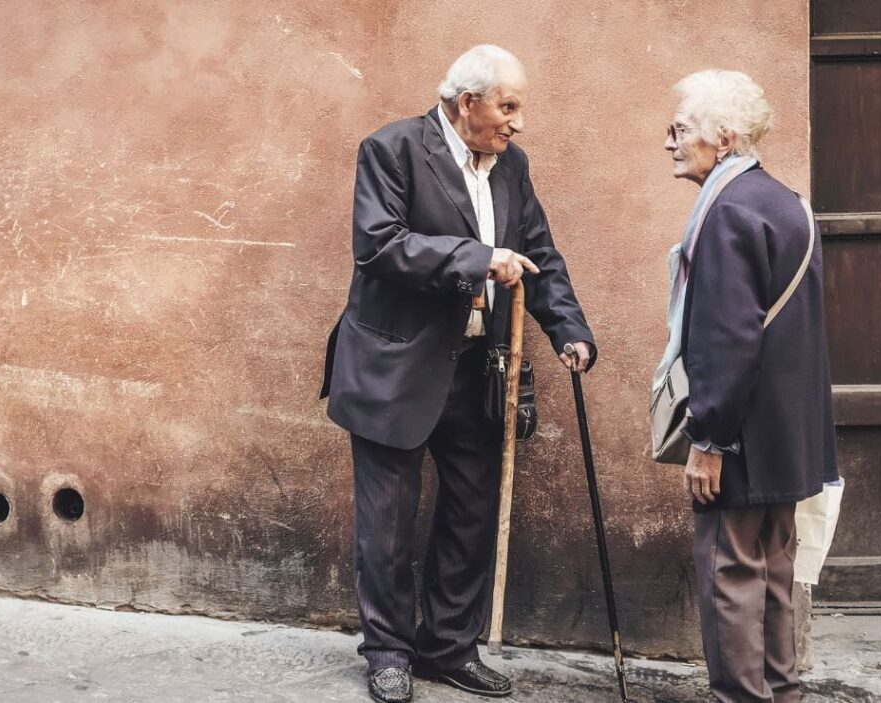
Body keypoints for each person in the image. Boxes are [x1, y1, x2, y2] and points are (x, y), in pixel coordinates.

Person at [320, 45, 596, 703]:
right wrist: (476, 257)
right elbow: (380, 245)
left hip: (477, 369)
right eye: (508, 105)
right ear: (467, 102)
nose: (517, 122)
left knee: (471, 514)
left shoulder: (513, 166)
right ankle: (388, 652)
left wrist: (570, 330)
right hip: (394, 367)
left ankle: (448, 648)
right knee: (386, 524)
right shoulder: (391, 150)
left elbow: (540, 255)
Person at [653, 69, 839, 702]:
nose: (669, 140)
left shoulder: (728, 211)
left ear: (724, 138)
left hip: (741, 437)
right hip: (785, 435)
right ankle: (781, 694)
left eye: (681, 129)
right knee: (777, 576)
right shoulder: (782, 201)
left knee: (730, 574)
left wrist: (708, 440)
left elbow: (729, 339)